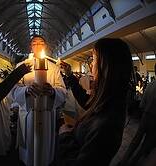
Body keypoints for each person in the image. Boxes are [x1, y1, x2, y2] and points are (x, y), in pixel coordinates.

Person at [57, 38, 133, 166]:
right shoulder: (108, 100)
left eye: (94, 59)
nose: (91, 64)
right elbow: (88, 103)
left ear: (106, 65)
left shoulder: (107, 124)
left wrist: (65, 137)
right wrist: (70, 75)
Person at [11, 35, 66, 166]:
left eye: (41, 43)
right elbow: (14, 88)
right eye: (34, 43)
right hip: (29, 113)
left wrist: (53, 91)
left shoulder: (53, 68)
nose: (37, 45)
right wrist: (26, 90)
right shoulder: (22, 66)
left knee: (44, 148)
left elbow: (62, 90)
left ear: (45, 46)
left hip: (47, 113)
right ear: (31, 47)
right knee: (30, 147)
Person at [119, 64, 156, 166]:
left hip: (145, 116)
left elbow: (142, 104)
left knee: (135, 140)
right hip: (154, 120)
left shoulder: (150, 85)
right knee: (145, 144)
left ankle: (123, 161)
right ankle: (132, 163)